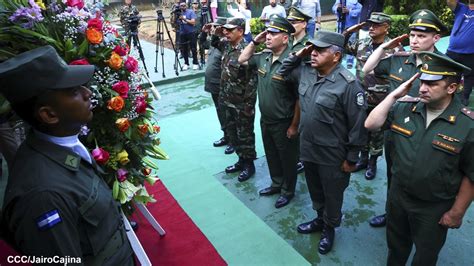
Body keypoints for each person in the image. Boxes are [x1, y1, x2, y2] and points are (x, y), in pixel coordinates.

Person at [0, 46, 134, 264]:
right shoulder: (43, 197)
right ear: (49, 115)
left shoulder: (62, 147)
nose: (87, 93)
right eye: (73, 92)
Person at [365, 51, 474, 266]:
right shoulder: (406, 106)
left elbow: (472, 175)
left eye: (432, 84)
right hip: (398, 197)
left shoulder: (467, 125)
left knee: (425, 254)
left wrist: (457, 212)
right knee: (396, 247)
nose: (423, 88)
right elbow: (371, 124)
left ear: (451, 88)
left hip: (433, 207)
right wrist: (393, 96)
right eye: (422, 81)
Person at [278, 31, 367, 254]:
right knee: (315, 189)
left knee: (332, 193)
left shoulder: (348, 84)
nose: (314, 53)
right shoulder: (307, 72)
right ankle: (320, 218)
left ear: (336, 56)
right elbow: (281, 72)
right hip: (308, 148)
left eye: (320, 50)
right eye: (312, 49)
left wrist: (351, 158)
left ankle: (330, 227)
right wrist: (300, 53)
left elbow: (358, 125)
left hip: (333, 154)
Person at [362, 9, 447, 228]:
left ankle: (416, 219)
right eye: (412, 35)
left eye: (422, 36)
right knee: (393, 175)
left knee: (420, 179)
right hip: (395, 130)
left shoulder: (446, 67)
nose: (415, 40)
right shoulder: (398, 60)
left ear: (436, 38)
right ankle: (392, 214)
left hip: (424, 134)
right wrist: (383, 47)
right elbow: (366, 69)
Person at [238, 16, 299, 209]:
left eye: (274, 33)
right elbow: (242, 59)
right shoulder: (263, 57)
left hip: (285, 121)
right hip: (266, 119)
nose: (269, 37)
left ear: (286, 38)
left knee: (288, 159)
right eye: (268, 33)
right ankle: (276, 183)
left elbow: (299, 98)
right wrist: (256, 40)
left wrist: (294, 125)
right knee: (271, 154)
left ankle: (288, 191)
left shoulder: (293, 62)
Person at [343, 12, 400, 180]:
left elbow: (397, 76)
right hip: (360, 97)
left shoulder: (395, 49)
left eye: (376, 25)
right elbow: (340, 45)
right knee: (361, 130)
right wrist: (349, 31)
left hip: (380, 99)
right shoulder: (362, 43)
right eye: (370, 24)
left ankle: (372, 163)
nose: (372, 28)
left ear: (386, 28)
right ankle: (363, 158)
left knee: (376, 133)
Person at [207, 18, 258, 182]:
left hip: (242, 103)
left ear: (241, 31)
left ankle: (249, 164)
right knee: (232, 133)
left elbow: (252, 81)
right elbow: (215, 42)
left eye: (230, 30)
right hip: (226, 100)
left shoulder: (247, 50)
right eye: (225, 30)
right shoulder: (227, 45)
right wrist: (216, 31)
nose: (226, 32)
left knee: (245, 135)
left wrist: (248, 105)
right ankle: (240, 160)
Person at [204, 17, 235, 155]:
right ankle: (226, 135)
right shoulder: (215, 42)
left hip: (223, 85)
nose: (214, 28)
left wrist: (217, 34)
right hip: (213, 84)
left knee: (228, 113)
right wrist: (204, 33)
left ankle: (233, 140)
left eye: (217, 26)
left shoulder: (226, 44)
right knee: (219, 111)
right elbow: (202, 43)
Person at [287, 6, 312, 173]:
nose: (290, 25)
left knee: (301, 128)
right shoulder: (287, 41)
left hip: (302, 92)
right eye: (289, 21)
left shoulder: (310, 45)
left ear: (304, 24)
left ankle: (303, 158)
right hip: (286, 91)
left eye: (294, 22)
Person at [446, 0, 474, 106]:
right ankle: (448, 95)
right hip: (453, 50)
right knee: (448, 74)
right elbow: (450, 1)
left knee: (469, 76)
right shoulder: (461, 8)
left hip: (471, 52)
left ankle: (465, 97)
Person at [332, 0, 362, 68]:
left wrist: (349, 11)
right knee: (339, 42)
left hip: (351, 26)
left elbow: (360, 10)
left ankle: (349, 61)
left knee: (350, 43)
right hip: (340, 25)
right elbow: (333, 8)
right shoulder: (339, 1)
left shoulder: (355, 1)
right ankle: (338, 58)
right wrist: (337, 8)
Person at [178, 1, 199, 70]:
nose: (183, 7)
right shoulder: (178, 13)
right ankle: (186, 63)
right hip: (182, 33)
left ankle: (195, 63)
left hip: (191, 32)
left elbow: (193, 22)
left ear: (186, 5)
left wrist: (184, 19)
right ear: (180, 6)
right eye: (181, 6)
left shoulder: (191, 12)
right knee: (184, 49)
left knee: (193, 48)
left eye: (184, 5)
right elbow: (175, 22)